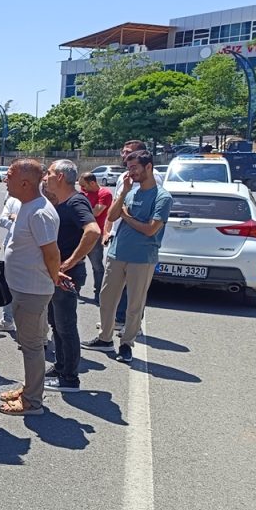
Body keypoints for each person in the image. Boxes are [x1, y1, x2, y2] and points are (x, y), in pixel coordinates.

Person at [82, 150, 172, 363]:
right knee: (106, 298)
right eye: (129, 168)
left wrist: (127, 216)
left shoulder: (162, 197)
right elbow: (112, 216)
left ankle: (126, 344)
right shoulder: (130, 193)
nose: (131, 172)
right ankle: (105, 338)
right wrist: (122, 194)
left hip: (142, 258)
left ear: (148, 167)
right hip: (117, 253)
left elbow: (150, 229)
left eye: (134, 168)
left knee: (134, 304)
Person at [0, 159, 62, 416]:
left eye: (10, 175)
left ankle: (33, 401)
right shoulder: (28, 206)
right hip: (24, 287)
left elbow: (52, 254)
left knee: (33, 346)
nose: (5, 179)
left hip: (32, 290)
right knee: (29, 344)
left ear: (25, 183)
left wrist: (53, 277)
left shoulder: (39, 212)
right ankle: (29, 389)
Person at [39, 161, 99, 393]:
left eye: (50, 173)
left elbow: (92, 231)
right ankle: (61, 366)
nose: (46, 177)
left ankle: (70, 379)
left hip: (67, 275)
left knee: (66, 326)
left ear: (61, 177)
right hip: (56, 274)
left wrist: (70, 262)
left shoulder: (76, 202)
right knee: (56, 323)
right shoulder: (62, 201)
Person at [80, 171, 112, 303]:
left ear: (92, 183)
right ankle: (75, 289)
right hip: (80, 233)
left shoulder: (105, 194)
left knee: (97, 266)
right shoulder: (84, 192)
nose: (82, 188)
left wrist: (80, 211)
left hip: (95, 235)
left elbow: (97, 212)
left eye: (84, 186)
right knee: (76, 262)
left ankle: (99, 293)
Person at [0, 195, 21, 332]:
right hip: (10, 247)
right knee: (7, 283)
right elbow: (2, 220)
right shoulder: (12, 200)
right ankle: (7, 320)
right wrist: (19, 223)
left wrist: (17, 220)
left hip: (29, 251)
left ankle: (27, 325)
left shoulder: (39, 199)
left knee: (25, 288)